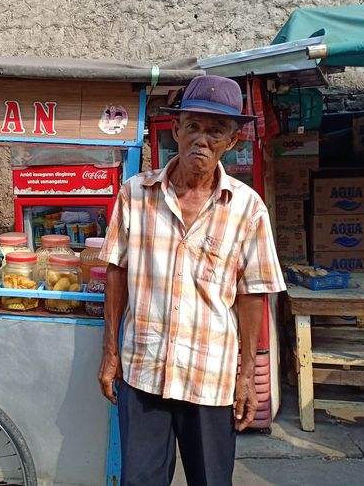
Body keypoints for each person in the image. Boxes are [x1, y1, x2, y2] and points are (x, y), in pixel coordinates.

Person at [97, 75, 285, 486]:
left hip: (210, 376)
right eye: (194, 126)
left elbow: (254, 294)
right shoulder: (135, 194)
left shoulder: (247, 208)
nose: (202, 139)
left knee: (211, 481)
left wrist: (246, 377)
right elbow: (116, 272)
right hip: (144, 369)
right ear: (176, 130)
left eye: (216, 130)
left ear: (232, 140)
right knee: (139, 481)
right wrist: (110, 353)